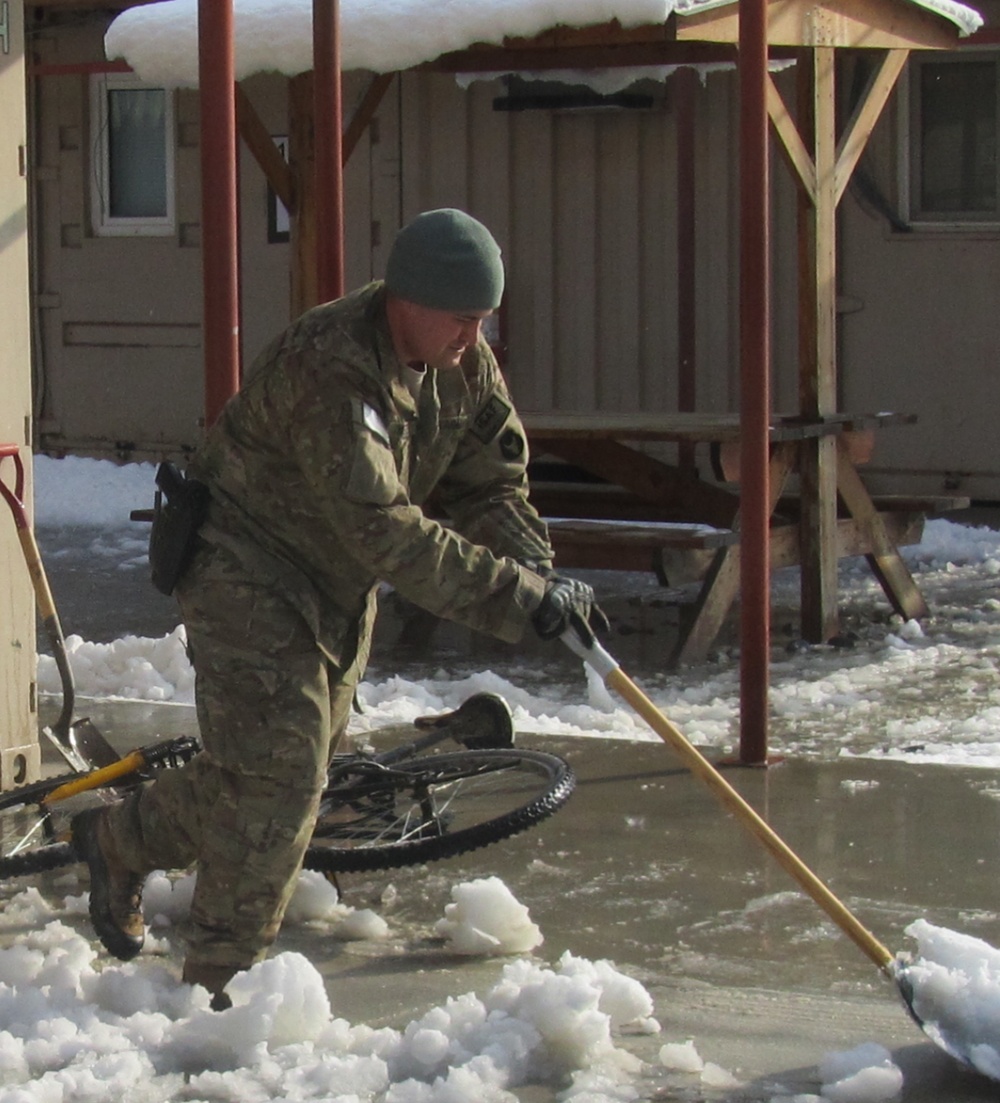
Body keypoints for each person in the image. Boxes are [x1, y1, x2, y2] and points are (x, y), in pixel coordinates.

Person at [72, 208, 608, 1009]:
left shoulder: (463, 365)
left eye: (481, 321)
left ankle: (116, 840)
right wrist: (515, 599)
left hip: (331, 583)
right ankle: (222, 991)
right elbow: (385, 531)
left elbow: (489, 483)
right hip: (243, 563)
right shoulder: (331, 365)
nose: (472, 337)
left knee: (276, 778)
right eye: (460, 319)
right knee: (278, 779)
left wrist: (540, 575)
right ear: (407, 299)